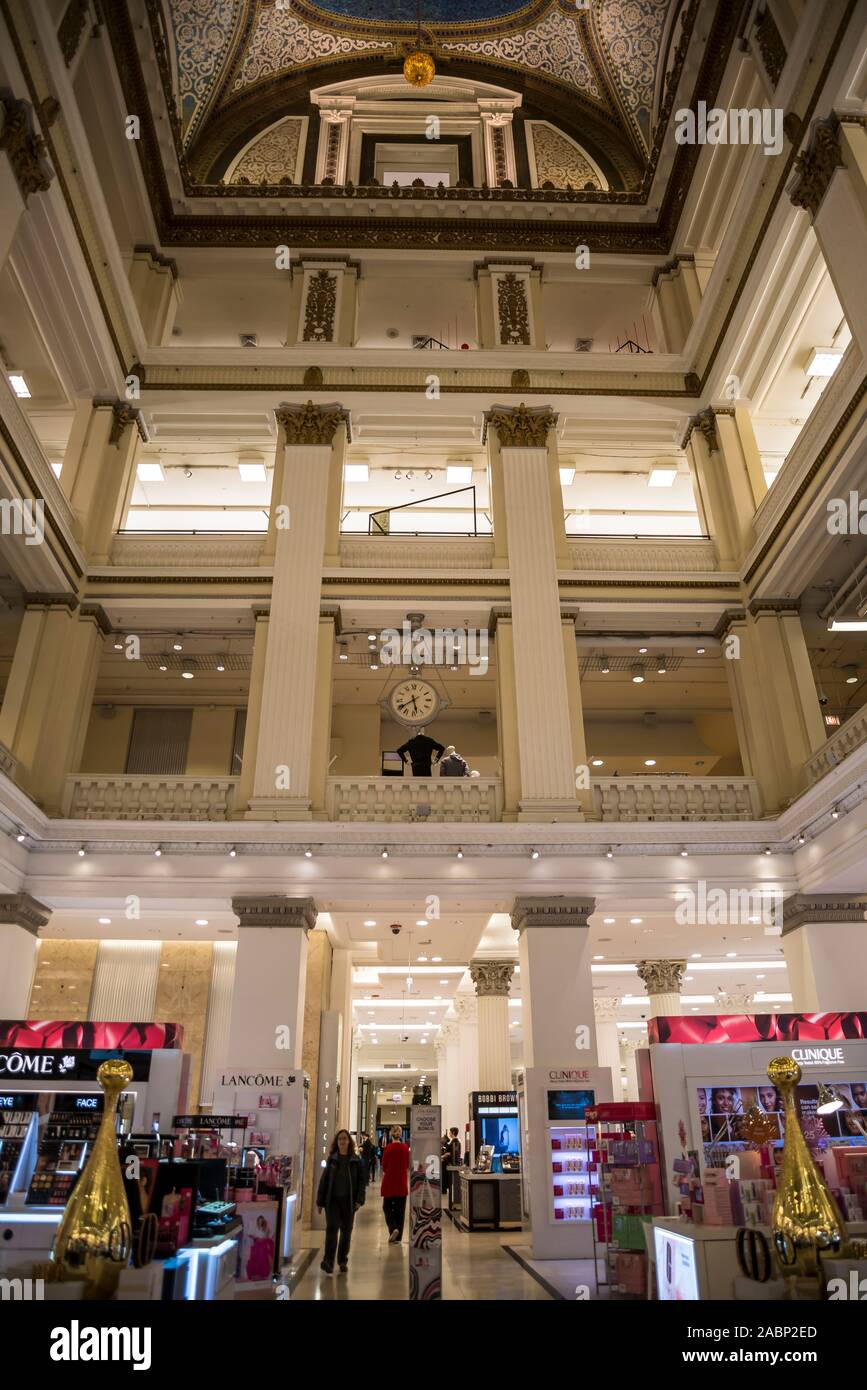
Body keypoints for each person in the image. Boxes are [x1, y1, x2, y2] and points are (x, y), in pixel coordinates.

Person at [316, 1128, 365, 1274]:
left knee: (346, 1232)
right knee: (331, 1230)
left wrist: (359, 1200)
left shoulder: (355, 1161)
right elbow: (323, 1181)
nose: (342, 1141)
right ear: (337, 1142)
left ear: (349, 1142)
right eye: (340, 1139)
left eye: (345, 1139)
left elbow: (361, 1183)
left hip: (348, 1201)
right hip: (333, 1201)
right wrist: (320, 1202)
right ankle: (328, 1262)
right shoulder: (332, 1160)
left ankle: (342, 1260)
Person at [380, 1123, 410, 1243]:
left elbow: (384, 1165)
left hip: (389, 1182)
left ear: (391, 1134)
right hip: (401, 1181)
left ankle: (393, 1228)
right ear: (401, 1134)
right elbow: (407, 1164)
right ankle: (398, 1237)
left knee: (387, 1207)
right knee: (400, 1210)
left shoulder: (388, 1148)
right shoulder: (405, 1148)